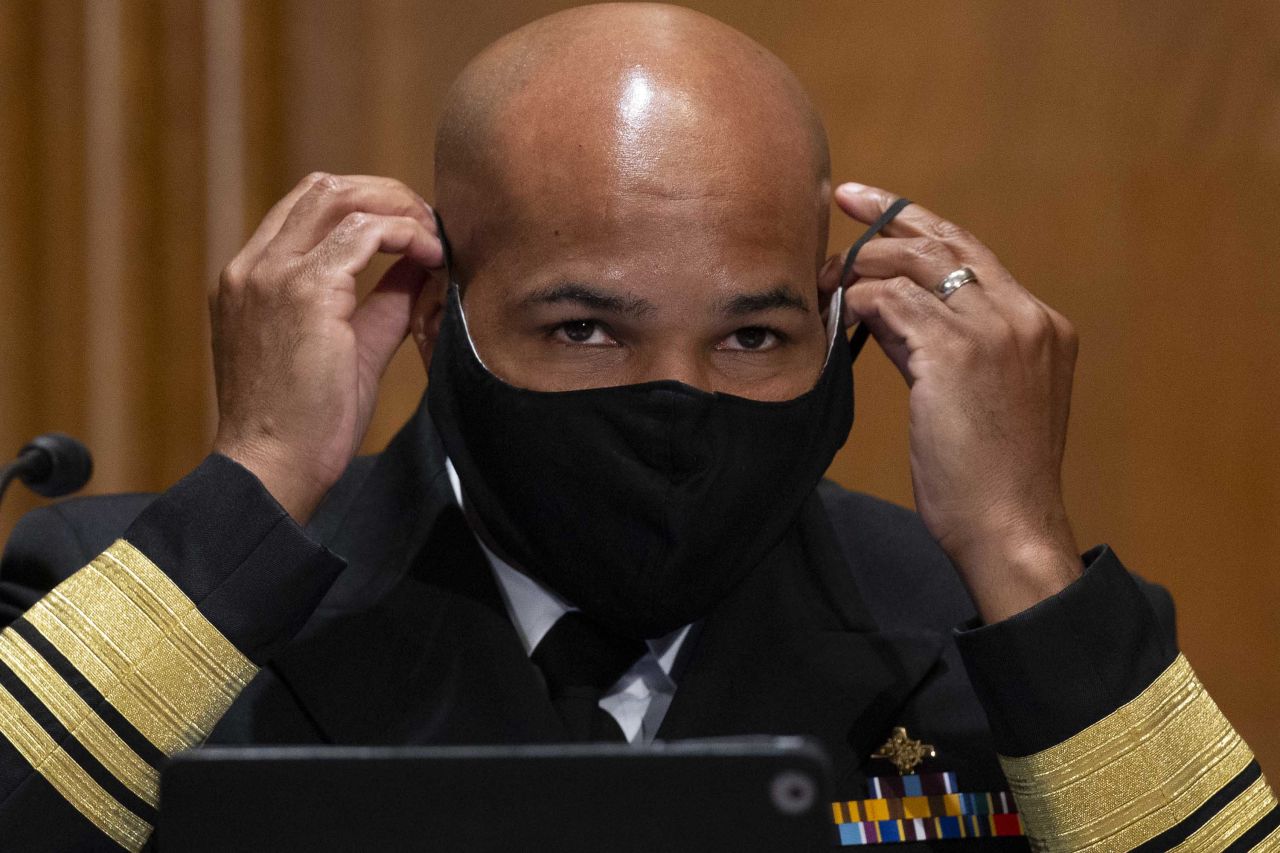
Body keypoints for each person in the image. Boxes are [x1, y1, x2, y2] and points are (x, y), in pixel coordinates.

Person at [0, 4, 1273, 851]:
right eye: (586, 331)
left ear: (840, 331)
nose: (679, 398)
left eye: (752, 337)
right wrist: (265, 474)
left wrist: (1017, 550)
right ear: (439, 313)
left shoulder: (991, 635)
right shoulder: (150, 607)